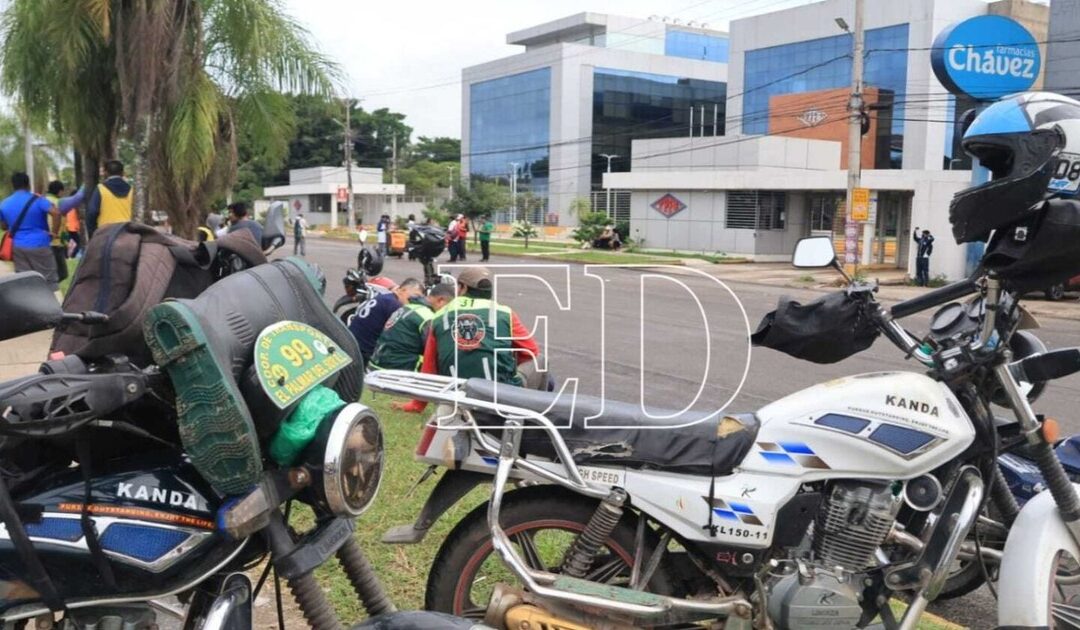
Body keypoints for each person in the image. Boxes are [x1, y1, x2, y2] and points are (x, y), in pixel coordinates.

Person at [398, 267, 542, 413]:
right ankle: (539, 412)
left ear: (463, 288)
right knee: (540, 360)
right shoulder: (505, 313)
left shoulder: (439, 316)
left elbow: (429, 366)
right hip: (498, 393)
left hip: (453, 394)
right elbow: (530, 351)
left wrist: (417, 405)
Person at [1, 173, 67, 290]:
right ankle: (49, 301)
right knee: (49, 282)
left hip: (18, 247)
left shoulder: (4, 203)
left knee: (25, 282)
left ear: (13, 185)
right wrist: (54, 233)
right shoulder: (38, 200)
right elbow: (56, 213)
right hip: (40, 244)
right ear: (28, 185)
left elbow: (4, 226)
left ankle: (29, 301)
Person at [369, 282, 455, 372]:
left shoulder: (408, 307)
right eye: (449, 306)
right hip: (397, 369)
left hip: (377, 364)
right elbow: (437, 348)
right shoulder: (427, 316)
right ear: (441, 301)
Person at [347, 277, 426, 365]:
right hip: (362, 353)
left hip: (351, 344)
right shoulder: (395, 306)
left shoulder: (385, 298)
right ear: (402, 290)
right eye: (415, 295)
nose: (415, 300)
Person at [86, 159, 133, 238]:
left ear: (106, 173)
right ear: (122, 173)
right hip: (126, 231)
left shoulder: (100, 188)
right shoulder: (131, 190)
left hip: (106, 233)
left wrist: (92, 234)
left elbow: (92, 212)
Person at [44, 181, 86, 258]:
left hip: (42, 242)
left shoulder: (41, 200)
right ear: (60, 191)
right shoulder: (59, 202)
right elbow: (77, 198)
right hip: (55, 243)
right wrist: (86, 183)